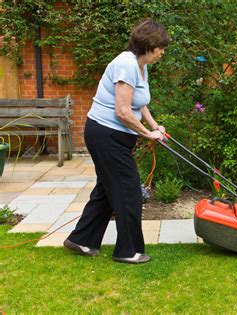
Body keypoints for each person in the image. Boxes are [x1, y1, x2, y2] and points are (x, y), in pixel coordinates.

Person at [64, 19, 170, 264]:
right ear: (150, 45)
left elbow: (139, 102)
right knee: (128, 190)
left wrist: (155, 126)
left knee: (107, 190)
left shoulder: (140, 66)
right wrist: (146, 134)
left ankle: (82, 239)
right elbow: (122, 111)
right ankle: (127, 250)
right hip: (105, 135)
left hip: (113, 137)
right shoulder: (125, 64)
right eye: (161, 48)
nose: (162, 52)